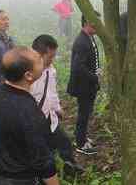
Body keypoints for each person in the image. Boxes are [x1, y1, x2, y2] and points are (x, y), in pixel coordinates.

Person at [0, 47, 59, 185]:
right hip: (25, 179)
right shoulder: (29, 112)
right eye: (38, 61)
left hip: (1, 175)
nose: (42, 60)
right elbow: (42, 160)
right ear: (28, 75)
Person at [30, 35, 83, 176]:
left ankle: (70, 166)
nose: (52, 60)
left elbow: (51, 92)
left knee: (64, 141)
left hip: (50, 116)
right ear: (38, 54)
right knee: (43, 150)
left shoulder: (50, 69)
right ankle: (47, 173)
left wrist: (57, 108)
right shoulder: (28, 74)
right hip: (34, 121)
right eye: (50, 56)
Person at [67, 13, 101, 155]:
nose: (99, 25)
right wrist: (94, 76)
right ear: (88, 22)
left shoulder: (89, 37)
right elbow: (77, 67)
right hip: (84, 87)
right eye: (96, 22)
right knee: (83, 114)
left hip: (89, 85)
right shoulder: (81, 42)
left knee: (86, 113)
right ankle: (81, 144)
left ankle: (82, 137)